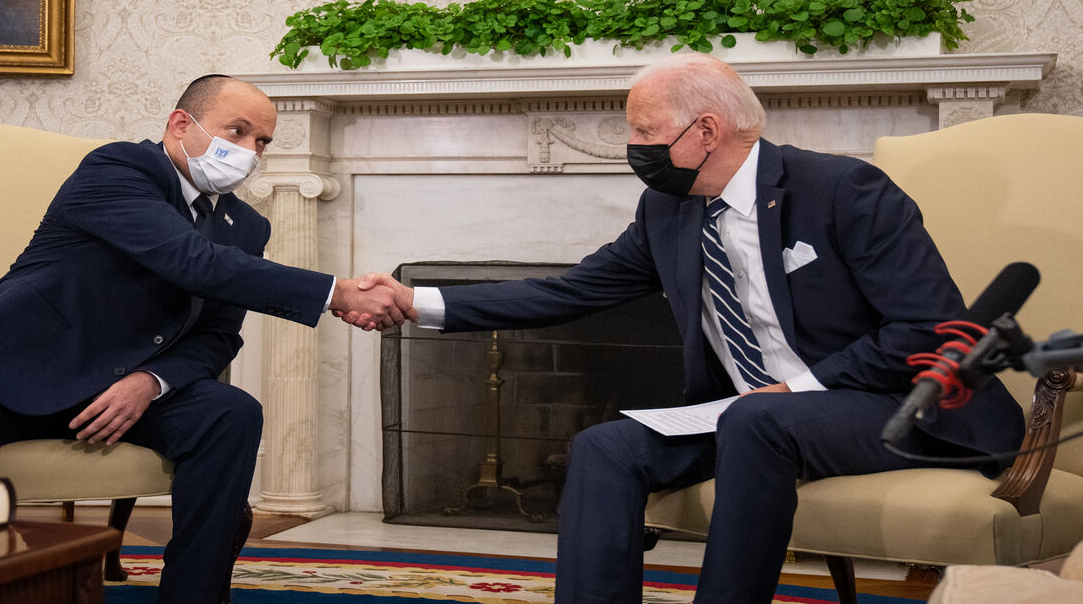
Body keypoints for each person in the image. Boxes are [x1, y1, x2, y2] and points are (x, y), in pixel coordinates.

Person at [343, 53, 1025, 603]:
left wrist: (798, 392)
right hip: (754, 417)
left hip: (897, 408)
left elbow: (928, 331)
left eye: (643, 131)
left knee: (758, 421)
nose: (634, 148)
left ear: (705, 131)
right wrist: (414, 300)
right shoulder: (667, 212)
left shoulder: (845, 191)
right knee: (606, 447)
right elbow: (571, 290)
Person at [0, 75, 410, 603]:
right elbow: (190, 262)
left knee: (229, 413)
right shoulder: (118, 168)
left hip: (125, 385)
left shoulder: (246, 226)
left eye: (261, 142)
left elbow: (217, 335)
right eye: (235, 131)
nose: (249, 152)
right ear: (179, 125)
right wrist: (337, 293)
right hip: (7, 363)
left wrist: (151, 381)